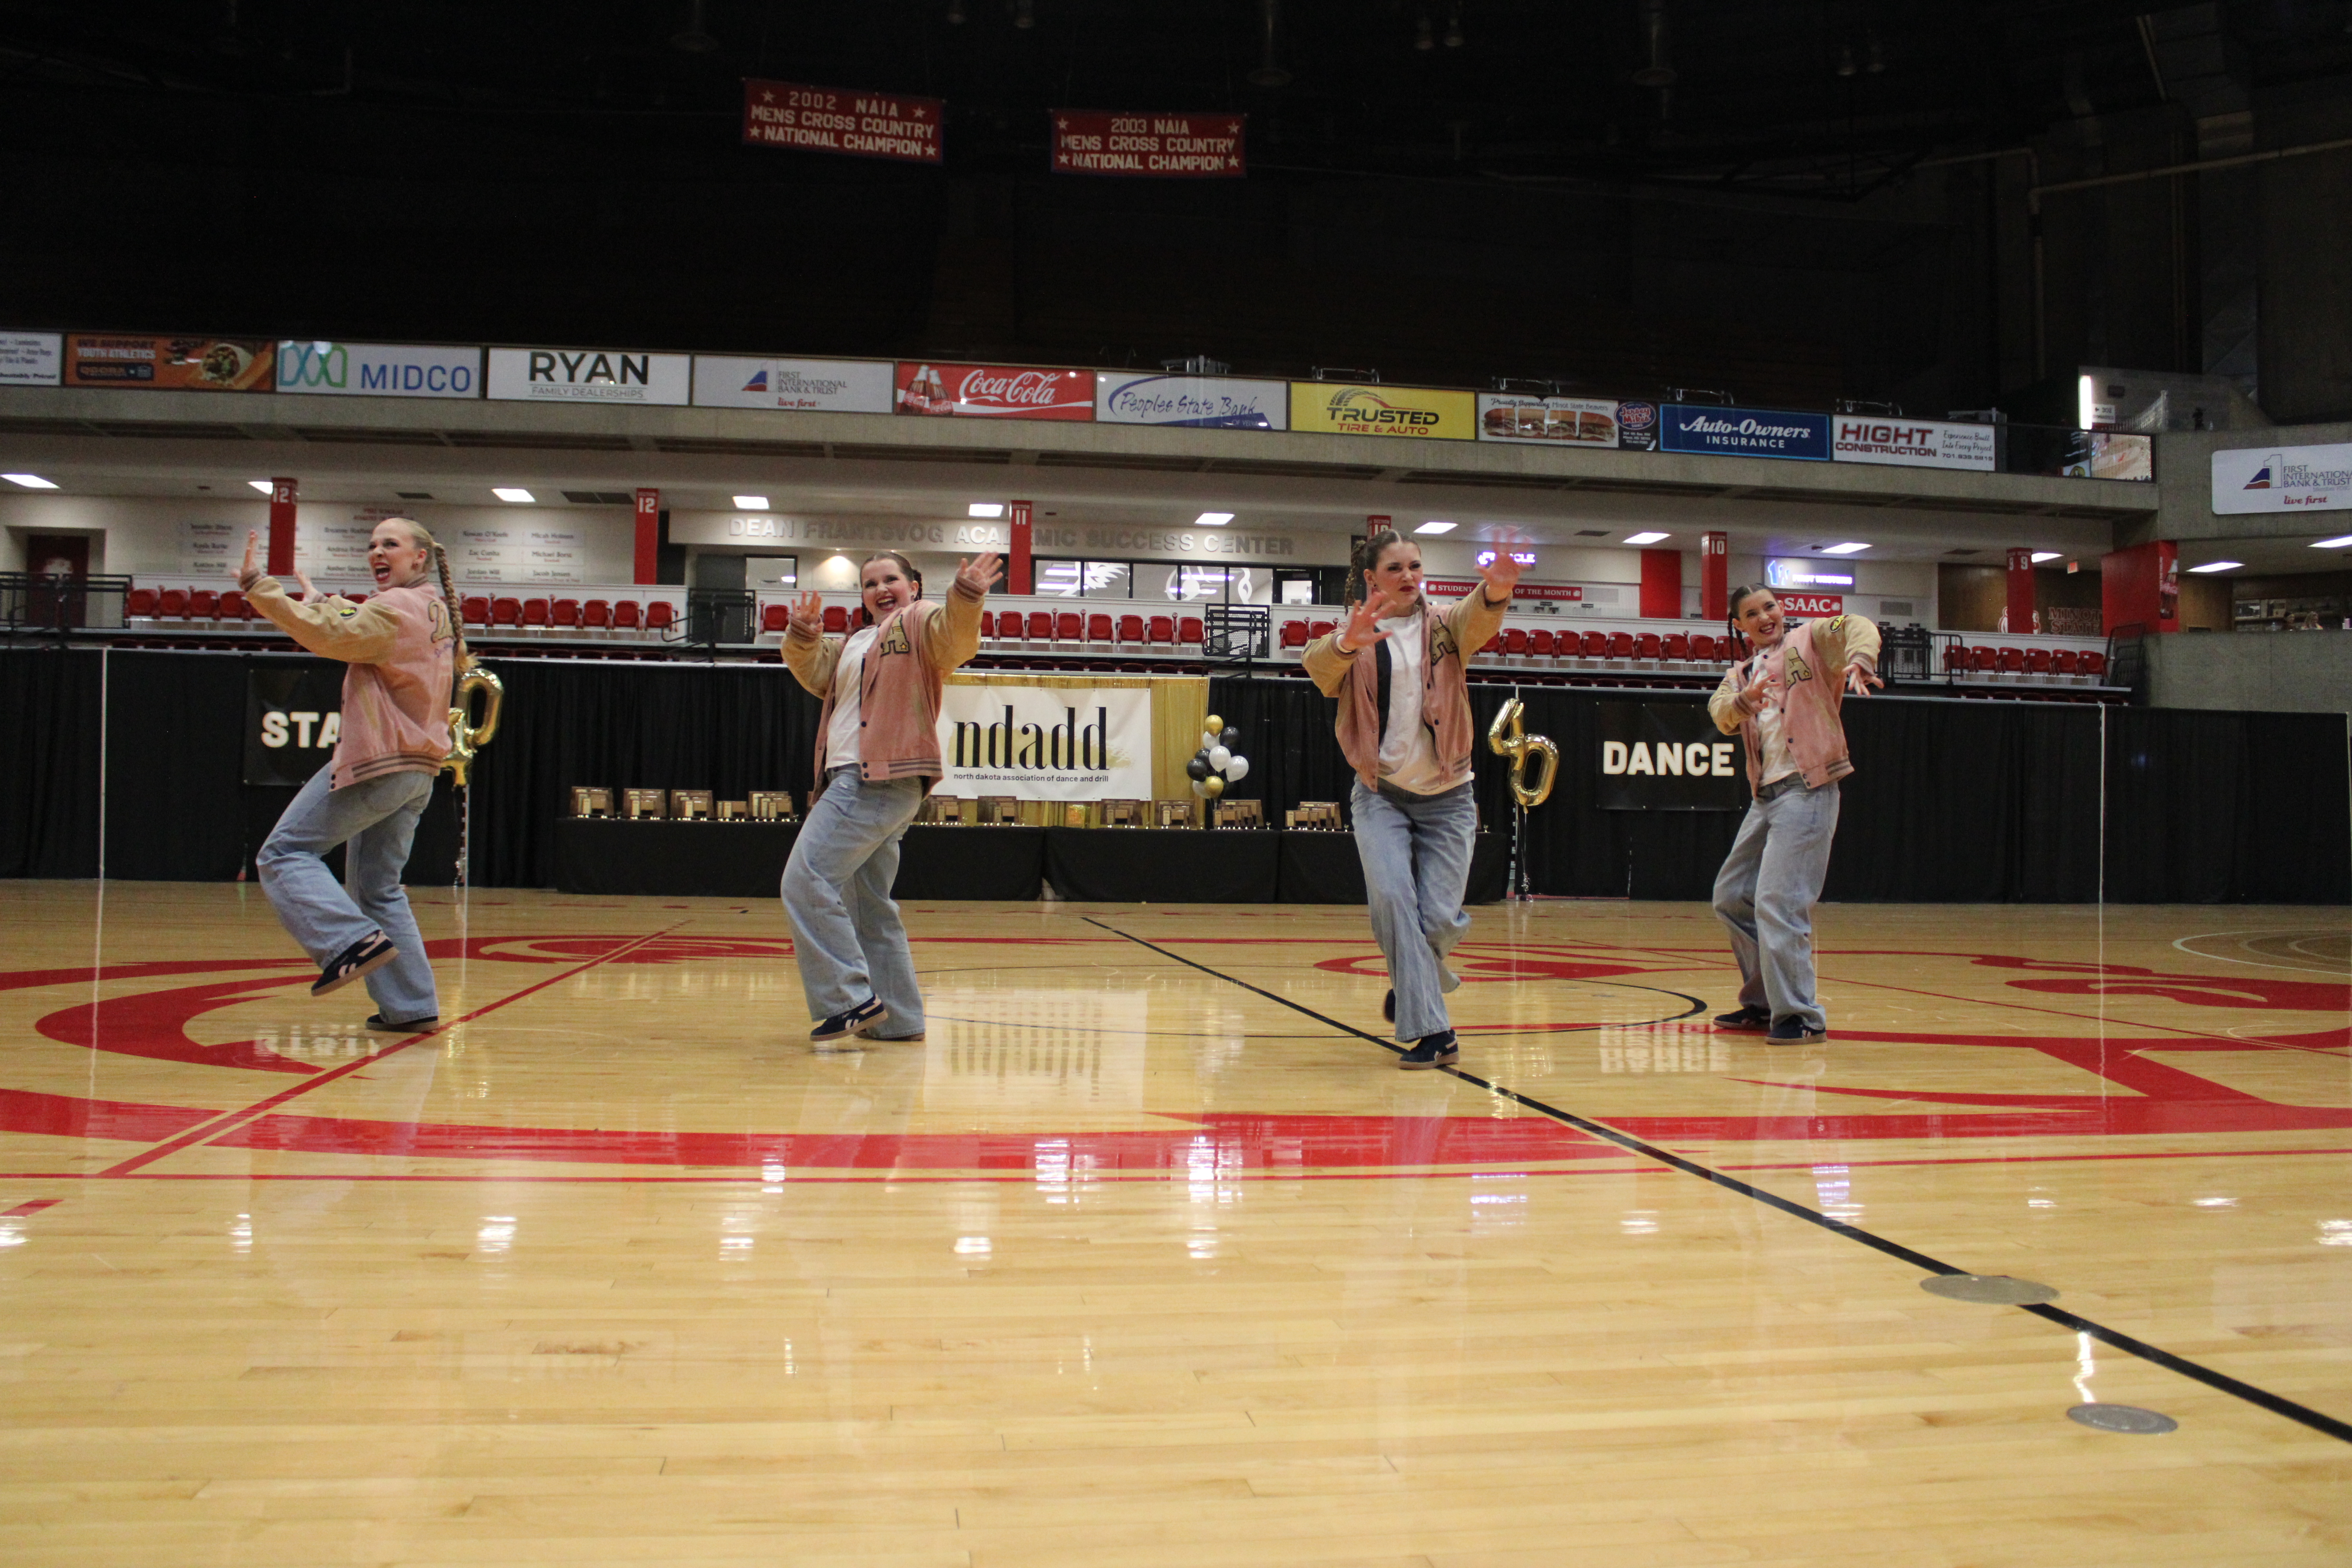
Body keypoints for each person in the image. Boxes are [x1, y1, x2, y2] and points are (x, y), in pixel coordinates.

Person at [1304, 528, 1517, 1068]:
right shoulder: (1355, 632)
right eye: (1395, 568)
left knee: (1440, 920)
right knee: (1393, 901)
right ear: (1371, 577)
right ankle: (1435, 1032)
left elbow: (1479, 617)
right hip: (1381, 795)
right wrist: (1348, 643)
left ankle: (1410, 983)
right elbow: (1318, 668)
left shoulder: (1444, 624)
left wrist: (1495, 590)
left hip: (1449, 795)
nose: (1408, 577)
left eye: (1415, 566)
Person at [239, 519, 463, 1032]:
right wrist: (323, 601)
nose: (377, 551)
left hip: (383, 761)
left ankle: (348, 942)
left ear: (419, 557)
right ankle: (411, 1006)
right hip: (420, 771)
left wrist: (260, 588)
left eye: (390, 544)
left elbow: (337, 634)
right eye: (372, 544)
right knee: (379, 889)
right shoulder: (433, 606)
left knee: (284, 853)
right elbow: (363, 626)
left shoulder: (395, 608)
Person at [779, 549, 996, 1045]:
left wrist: (967, 596)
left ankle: (848, 999)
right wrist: (804, 636)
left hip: (875, 779)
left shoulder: (919, 623)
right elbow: (815, 674)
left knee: (806, 879)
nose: (881, 589)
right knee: (870, 907)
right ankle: (898, 1021)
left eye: (891, 579)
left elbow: (956, 639)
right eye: (870, 583)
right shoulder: (855, 642)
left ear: (914, 586)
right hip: (860, 779)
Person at [1707, 586, 1881, 1045]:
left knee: (1779, 901)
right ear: (1739, 626)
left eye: (1770, 606)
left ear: (1781, 610)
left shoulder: (1812, 639)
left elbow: (1859, 626)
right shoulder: (1740, 674)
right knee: (1732, 896)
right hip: (1765, 798)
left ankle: (1802, 1014)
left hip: (1808, 790)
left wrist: (1860, 659)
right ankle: (1765, 1001)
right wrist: (1744, 700)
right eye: (1752, 613)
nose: (1765, 616)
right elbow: (1720, 713)